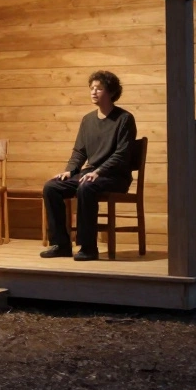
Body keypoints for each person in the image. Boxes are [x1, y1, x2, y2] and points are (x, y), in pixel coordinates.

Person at [40, 70, 138, 261]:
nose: (93, 92)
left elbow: (122, 154)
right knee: (51, 187)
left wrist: (99, 171)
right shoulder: (88, 120)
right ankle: (60, 244)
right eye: (91, 88)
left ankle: (88, 247)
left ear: (110, 92)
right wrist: (70, 170)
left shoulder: (124, 119)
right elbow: (79, 152)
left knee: (86, 187)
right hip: (90, 174)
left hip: (115, 177)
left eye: (99, 88)